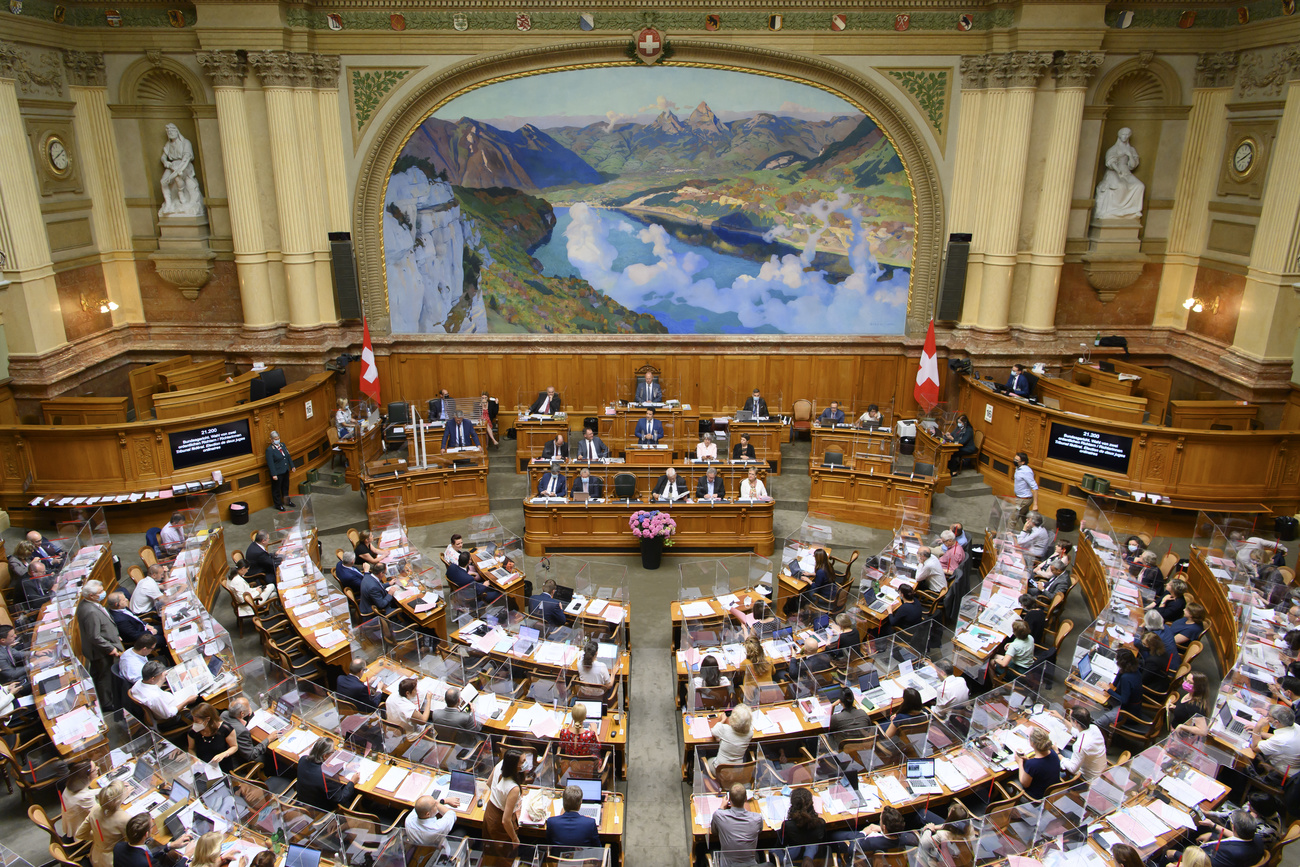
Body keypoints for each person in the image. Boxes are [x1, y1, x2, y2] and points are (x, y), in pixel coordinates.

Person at [77, 579, 122, 711]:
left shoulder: (88, 604)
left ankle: (103, 698)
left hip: (100, 647)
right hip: (100, 651)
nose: (104, 593)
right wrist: (111, 647)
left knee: (99, 675)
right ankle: (107, 703)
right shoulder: (90, 611)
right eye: (100, 592)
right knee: (105, 676)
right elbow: (94, 636)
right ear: (91, 595)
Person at [76, 781, 137, 867]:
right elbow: (131, 844)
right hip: (113, 861)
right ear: (118, 800)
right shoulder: (125, 819)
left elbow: (80, 834)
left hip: (95, 857)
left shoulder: (95, 809)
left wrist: (101, 837)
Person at [1094, 128, 1146, 219]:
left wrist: (1129, 155)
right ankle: (1114, 210)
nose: (1125, 137)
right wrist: (1118, 171)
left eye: (1127, 135)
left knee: (1139, 186)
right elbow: (1110, 162)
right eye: (1123, 134)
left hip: (1126, 172)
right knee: (1120, 186)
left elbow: (1133, 165)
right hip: (1114, 171)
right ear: (1119, 135)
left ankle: (1132, 211)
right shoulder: (1114, 149)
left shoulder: (1131, 149)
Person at [296, 736, 359, 810]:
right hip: (319, 810)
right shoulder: (327, 776)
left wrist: (344, 767)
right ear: (325, 756)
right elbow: (340, 799)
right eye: (333, 752)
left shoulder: (303, 759)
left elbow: (320, 770)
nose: (335, 753)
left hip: (304, 801)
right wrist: (352, 782)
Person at [484, 750, 525, 860]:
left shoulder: (501, 763)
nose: (526, 763)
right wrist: (515, 839)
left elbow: (488, 783)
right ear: (515, 765)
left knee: (491, 853)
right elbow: (505, 820)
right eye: (523, 761)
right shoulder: (513, 788)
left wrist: (499, 797)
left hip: (490, 811)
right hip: (500, 822)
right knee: (504, 857)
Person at [709, 782, 762, 866]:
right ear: (746, 798)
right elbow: (759, 831)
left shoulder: (719, 815)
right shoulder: (757, 818)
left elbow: (714, 832)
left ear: (729, 799)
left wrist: (721, 807)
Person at [113, 813, 190, 867]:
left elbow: (144, 854)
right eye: (152, 826)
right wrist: (186, 856)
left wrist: (170, 845)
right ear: (146, 835)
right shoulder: (147, 863)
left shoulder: (118, 847)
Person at [834, 806, 917, 854]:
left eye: (880, 820)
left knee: (835, 835)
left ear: (885, 827)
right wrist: (881, 829)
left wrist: (864, 832)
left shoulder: (871, 841)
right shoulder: (909, 838)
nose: (879, 821)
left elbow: (852, 848)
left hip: (864, 852)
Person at [129, 660, 196, 720]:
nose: (162, 676)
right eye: (160, 675)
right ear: (152, 679)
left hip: (167, 700)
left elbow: (153, 688)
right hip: (175, 713)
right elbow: (169, 714)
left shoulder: (138, 683)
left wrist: (161, 679)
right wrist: (187, 701)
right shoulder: (154, 697)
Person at [543, 783, 602, 849]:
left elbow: (549, 843)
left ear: (563, 802)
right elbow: (598, 848)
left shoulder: (551, 822)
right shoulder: (590, 823)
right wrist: (585, 820)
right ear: (580, 803)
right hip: (582, 858)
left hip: (559, 858)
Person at [1095, 647, 1143, 728]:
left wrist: (1108, 689)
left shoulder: (1126, 678)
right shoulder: (1133, 669)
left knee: (1103, 719)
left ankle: (1094, 727)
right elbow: (1115, 683)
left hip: (1127, 711)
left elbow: (1124, 701)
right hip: (1133, 706)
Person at [917, 803, 975, 867]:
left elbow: (924, 843)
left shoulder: (942, 835)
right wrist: (935, 827)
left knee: (921, 813)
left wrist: (928, 829)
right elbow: (953, 828)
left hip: (941, 861)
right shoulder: (968, 827)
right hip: (962, 860)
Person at [1251, 705, 1300, 779]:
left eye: (1269, 715)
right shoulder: (1295, 726)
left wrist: (1258, 726)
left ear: (1276, 722)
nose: (1266, 717)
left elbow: (1255, 747)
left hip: (1279, 775)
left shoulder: (1282, 740)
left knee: (1246, 756)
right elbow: (1276, 738)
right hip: (1293, 770)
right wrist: (1258, 732)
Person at [781, 786, 826, 867]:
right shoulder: (821, 823)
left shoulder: (787, 825)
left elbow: (780, 845)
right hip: (813, 856)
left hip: (792, 857)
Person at [187, 701, 238, 772]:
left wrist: (223, 754)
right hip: (202, 767)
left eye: (197, 722)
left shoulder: (225, 729)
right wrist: (195, 759)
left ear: (207, 719)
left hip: (222, 766)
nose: (194, 724)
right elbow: (191, 749)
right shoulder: (193, 731)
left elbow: (234, 747)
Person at [1016, 727, 1061, 799]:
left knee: (1008, 781)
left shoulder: (1032, 764)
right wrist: (1027, 760)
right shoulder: (1053, 753)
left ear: (1032, 743)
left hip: (1036, 798)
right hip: (1052, 793)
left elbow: (1024, 784)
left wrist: (1020, 763)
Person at [221, 696, 268, 765]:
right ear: (242, 714)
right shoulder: (242, 731)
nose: (250, 707)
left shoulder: (224, 714)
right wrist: (268, 739)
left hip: (228, 753)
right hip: (237, 761)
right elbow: (251, 755)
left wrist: (249, 715)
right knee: (267, 756)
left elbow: (237, 723)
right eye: (248, 706)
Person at [709, 703, 753, 775]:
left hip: (720, 770)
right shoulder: (750, 734)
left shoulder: (725, 729)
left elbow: (713, 731)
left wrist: (723, 720)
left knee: (707, 760)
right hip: (737, 771)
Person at [60, 761, 99, 839]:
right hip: (83, 835)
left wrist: (107, 789)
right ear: (87, 776)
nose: (98, 768)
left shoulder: (71, 786)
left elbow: (86, 792)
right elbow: (100, 816)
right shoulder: (85, 797)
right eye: (94, 769)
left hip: (72, 827)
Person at [1170, 671, 1210, 736]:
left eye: (1190, 683)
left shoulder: (1195, 706)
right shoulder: (1190, 694)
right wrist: (1175, 707)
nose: (1186, 683)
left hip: (1181, 736)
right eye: (1186, 680)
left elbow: (1203, 731)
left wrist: (1181, 727)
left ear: (1198, 687)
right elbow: (1185, 711)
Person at [265, 430, 294, 511]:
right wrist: (274, 474)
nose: (277, 440)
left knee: (285, 487)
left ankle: (287, 501)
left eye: (278, 438)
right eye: (275, 439)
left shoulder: (282, 445)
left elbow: (287, 456)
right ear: (271, 440)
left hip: (285, 470)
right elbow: (270, 463)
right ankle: (278, 505)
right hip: (277, 473)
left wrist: (292, 466)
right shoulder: (270, 450)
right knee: (276, 490)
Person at [1012, 451, 1038, 520]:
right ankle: (1030, 529)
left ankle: (1008, 531)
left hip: (1024, 499)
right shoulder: (1018, 468)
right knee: (1025, 517)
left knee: (1013, 518)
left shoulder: (1026, 471)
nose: (1014, 461)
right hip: (1019, 497)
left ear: (1023, 462)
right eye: (1014, 459)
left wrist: (1035, 504)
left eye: (1016, 460)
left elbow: (1035, 487)